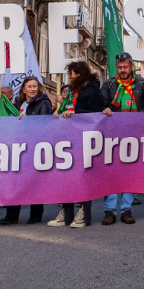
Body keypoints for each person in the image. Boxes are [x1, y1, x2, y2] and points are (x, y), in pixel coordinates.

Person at [99, 52, 144, 225]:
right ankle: (109, 211)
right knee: (111, 172)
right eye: (120, 68)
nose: (123, 70)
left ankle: (126, 209)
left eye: (125, 67)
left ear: (131, 66)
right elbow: (100, 104)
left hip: (134, 134)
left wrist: (137, 119)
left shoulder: (142, 84)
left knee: (129, 172)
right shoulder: (109, 84)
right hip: (112, 134)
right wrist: (105, 109)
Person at [51, 61, 107, 228]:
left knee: (84, 177)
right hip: (69, 138)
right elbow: (67, 109)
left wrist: (75, 114)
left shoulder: (93, 90)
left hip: (85, 138)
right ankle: (66, 213)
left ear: (80, 75)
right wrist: (58, 113)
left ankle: (83, 213)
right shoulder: (72, 92)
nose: (70, 77)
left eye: (72, 74)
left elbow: (96, 114)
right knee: (66, 175)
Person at [1, 76, 52, 225]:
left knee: (34, 182)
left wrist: (27, 118)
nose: (32, 89)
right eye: (29, 86)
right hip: (18, 146)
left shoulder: (44, 103)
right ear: (24, 88)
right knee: (15, 182)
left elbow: (44, 124)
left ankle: (35, 216)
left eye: (34, 86)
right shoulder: (18, 102)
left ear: (38, 88)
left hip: (35, 146)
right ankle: (11, 216)